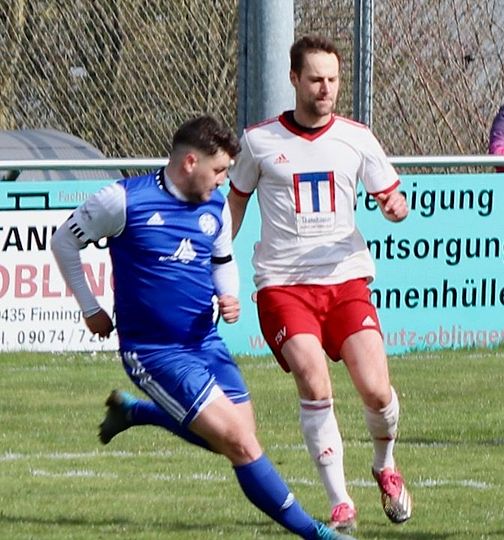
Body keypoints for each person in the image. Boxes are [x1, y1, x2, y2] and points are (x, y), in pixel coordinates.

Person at [50, 116, 352, 540]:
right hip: (154, 351)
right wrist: (89, 306)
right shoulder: (123, 201)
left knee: (234, 436)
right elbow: (63, 241)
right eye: (219, 170)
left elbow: (222, 262)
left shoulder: (215, 207)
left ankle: (136, 412)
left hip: (205, 342)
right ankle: (316, 532)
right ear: (190, 162)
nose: (224, 180)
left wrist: (228, 295)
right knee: (241, 443)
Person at [227, 36, 412, 534]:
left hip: (345, 280)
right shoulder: (259, 141)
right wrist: (216, 256)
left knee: (376, 391)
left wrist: (395, 209)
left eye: (332, 79)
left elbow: (391, 198)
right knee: (314, 380)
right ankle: (340, 501)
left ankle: (385, 466)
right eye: (315, 79)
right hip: (283, 286)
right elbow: (236, 201)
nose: (325, 88)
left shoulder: (357, 138)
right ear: (294, 79)